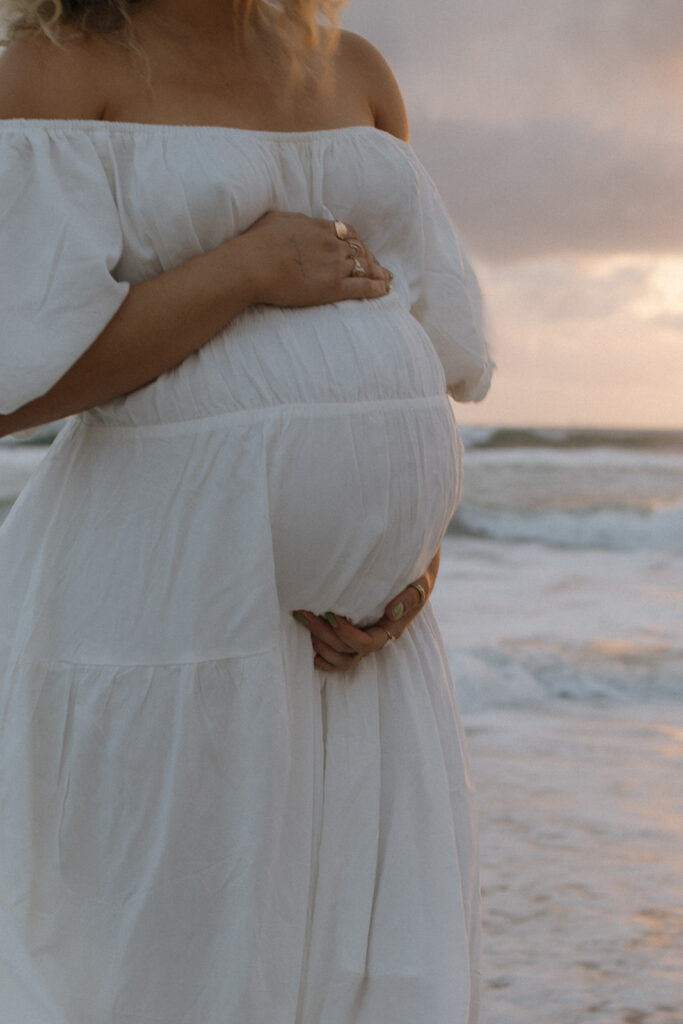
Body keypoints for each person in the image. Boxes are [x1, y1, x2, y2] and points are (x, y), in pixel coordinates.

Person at [0, 1, 494, 1021]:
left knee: (370, 969)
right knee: (167, 965)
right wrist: (241, 271)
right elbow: (12, 387)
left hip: (366, 650)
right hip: (169, 603)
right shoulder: (52, 70)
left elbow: (414, 336)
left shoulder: (355, 69)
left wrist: (411, 557)